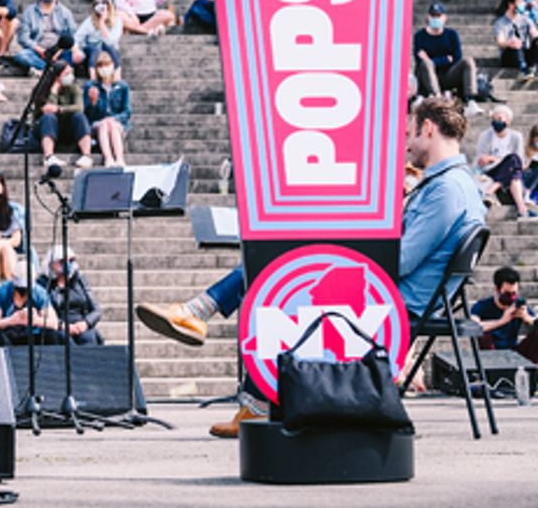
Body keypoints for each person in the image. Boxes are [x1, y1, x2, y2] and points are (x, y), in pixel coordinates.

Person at [136, 96, 487, 437]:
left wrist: (354, 248)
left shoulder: (446, 190)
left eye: (409, 133)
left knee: (282, 268)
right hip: (404, 293)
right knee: (287, 261)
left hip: (398, 300)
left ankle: (217, 341)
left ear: (428, 128)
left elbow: (402, 260)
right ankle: (216, 341)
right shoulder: (454, 184)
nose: (407, 144)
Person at [413, 2, 482, 114]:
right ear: (428, 17)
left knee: (468, 61)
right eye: (433, 16)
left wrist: (434, 60)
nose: (436, 18)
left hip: (449, 75)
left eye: (438, 16)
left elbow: (457, 58)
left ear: (445, 18)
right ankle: (437, 97)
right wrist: (445, 59)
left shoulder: (452, 35)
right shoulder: (419, 36)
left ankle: (471, 101)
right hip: (428, 77)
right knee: (426, 63)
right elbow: (419, 60)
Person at [476, 104, 534, 216]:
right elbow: (481, 160)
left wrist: (493, 158)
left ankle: (494, 188)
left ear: (508, 121)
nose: (496, 122)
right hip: (491, 171)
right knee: (513, 161)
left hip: (511, 171)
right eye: (493, 119)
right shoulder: (485, 136)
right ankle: (522, 207)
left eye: (499, 119)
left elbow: (520, 160)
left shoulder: (516, 136)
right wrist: (497, 160)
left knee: (514, 160)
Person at [13, 0, 79, 75]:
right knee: (22, 55)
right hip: (38, 51)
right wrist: (40, 50)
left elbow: (72, 36)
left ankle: (47, 69)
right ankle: (52, 69)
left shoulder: (65, 13)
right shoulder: (29, 12)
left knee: (76, 55)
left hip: (59, 51)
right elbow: (23, 38)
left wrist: (59, 51)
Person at [39, 246, 103, 345]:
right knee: (64, 340)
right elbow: (42, 312)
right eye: (62, 261)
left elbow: (96, 310)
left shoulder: (80, 281)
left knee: (89, 339)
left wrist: (86, 323)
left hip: (80, 324)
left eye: (71, 260)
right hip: (58, 326)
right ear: (51, 264)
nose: (68, 265)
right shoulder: (44, 284)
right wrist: (62, 325)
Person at [471, 266, 538, 359]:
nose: (511, 297)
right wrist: (502, 321)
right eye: (507, 293)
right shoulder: (482, 306)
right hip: (491, 353)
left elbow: (534, 320)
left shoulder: (518, 304)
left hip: (514, 350)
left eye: (514, 293)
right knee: (484, 336)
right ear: (497, 290)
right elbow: (473, 326)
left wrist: (527, 318)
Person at [39, 62, 95, 170]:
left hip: (68, 127)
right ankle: (48, 156)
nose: (70, 76)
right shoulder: (43, 90)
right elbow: (47, 109)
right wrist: (54, 91)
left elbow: (79, 107)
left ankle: (87, 155)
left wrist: (60, 109)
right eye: (66, 73)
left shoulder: (74, 87)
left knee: (79, 116)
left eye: (70, 73)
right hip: (47, 127)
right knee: (49, 117)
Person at [0, 275, 61, 346]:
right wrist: (12, 320)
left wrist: (35, 320)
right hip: (8, 336)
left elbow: (54, 323)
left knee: (52, 334)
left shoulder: (39, 293)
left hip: (32, 337)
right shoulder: (1, 291)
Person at [84, 51, 130, 167]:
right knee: (104, 125)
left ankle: (119, 158)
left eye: (107, 65)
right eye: (101, 66)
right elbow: (88, 113)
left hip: (117, 122)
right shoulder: (91, 86)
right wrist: (93, 103)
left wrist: (114, 118)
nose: (104, 69)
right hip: (98, 122)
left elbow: (126, 111)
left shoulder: (122, 86)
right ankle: (108, 158)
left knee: (112, 125)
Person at [74, 0, 124, 76]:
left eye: (104, 2)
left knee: (109, 47)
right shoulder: (90, 21)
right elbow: (77, 37)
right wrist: (76, 50)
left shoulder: (117, 20)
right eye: (96, 3)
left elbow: (111, 42)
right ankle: (93, 78)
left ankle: (117, 77)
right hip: (91, 50)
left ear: (109, 4)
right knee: (95, 50)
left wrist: (102, 23)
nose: (101, 5)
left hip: (109, 51)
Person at [494, 0, 538, 80]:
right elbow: (500, 42)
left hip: (524, 52)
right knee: (516, 44)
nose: (523, 4)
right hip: (509, 55)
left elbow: (534, 34)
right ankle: (524, 71)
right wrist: (509, 43)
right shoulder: (500, 23)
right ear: (511, 5)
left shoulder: (526, 20)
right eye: (520, 2)